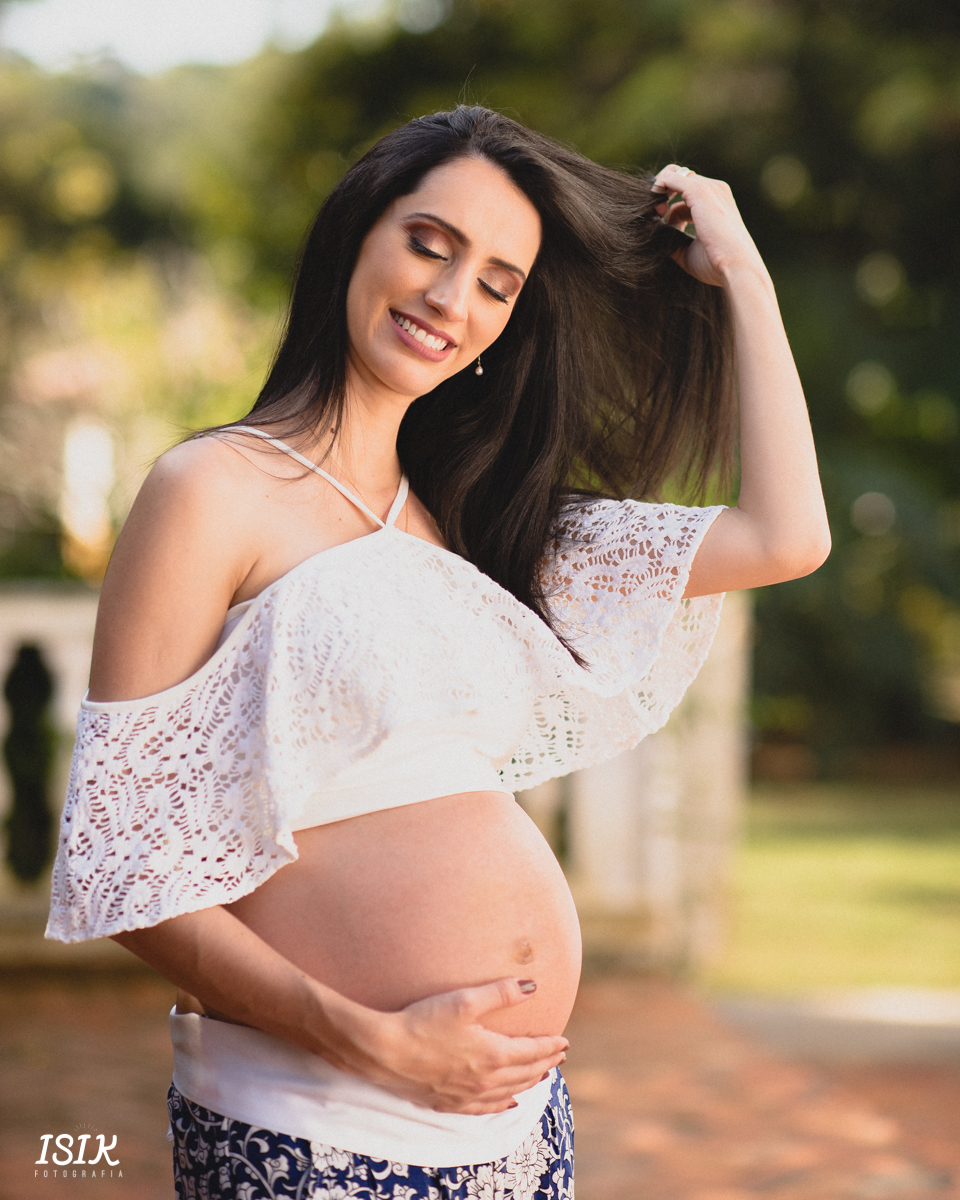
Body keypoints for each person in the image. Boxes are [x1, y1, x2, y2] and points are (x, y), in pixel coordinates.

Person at [46, 105, 830, 1199]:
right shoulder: (212, 492)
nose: (451, 300)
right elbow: (120, 860)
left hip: (516, 1128)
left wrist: (743, 266)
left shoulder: (482, 517)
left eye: (500, 283)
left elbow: (789, 537)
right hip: (314, 1116)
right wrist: (364, 1037)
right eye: (430, 243)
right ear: (357, 235)